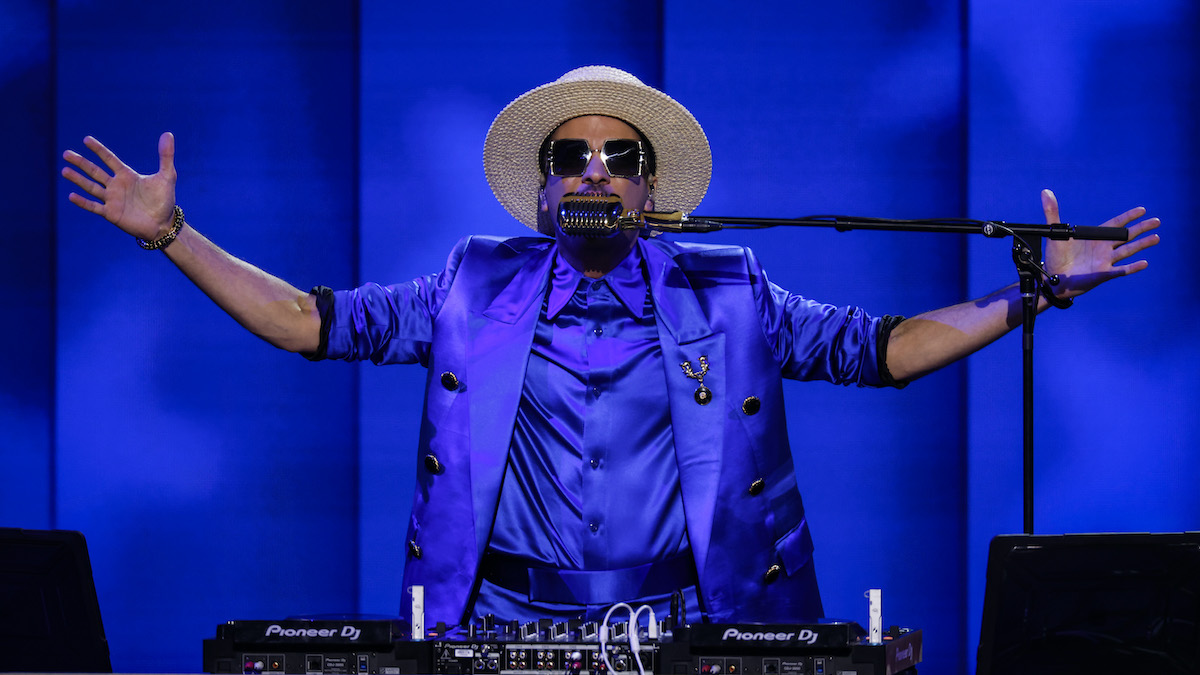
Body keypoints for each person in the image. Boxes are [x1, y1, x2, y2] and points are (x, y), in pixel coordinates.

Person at [62, 66, 1159, 628]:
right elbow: (308, 321)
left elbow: (887, 349)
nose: (595, 170)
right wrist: (171, 234)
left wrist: (1034, 294)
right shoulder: (468, 286)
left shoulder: (728, 290)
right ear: (543, 191)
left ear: (649, 187)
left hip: (687, 621)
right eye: (572, 157)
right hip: (499, 623)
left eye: (619, 158)